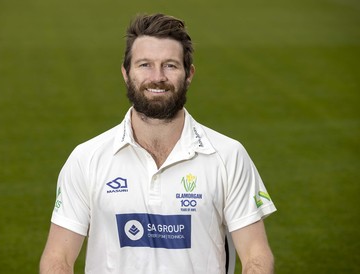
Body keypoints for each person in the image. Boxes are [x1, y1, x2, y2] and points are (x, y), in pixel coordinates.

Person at [40, 13, 277, 274]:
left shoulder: (228, 156)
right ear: (125, 73)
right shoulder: (86, 158)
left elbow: (256, 255)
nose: (157, 77)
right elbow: (57, 257)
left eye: (170, 65)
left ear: (189, 74)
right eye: (145, 65)